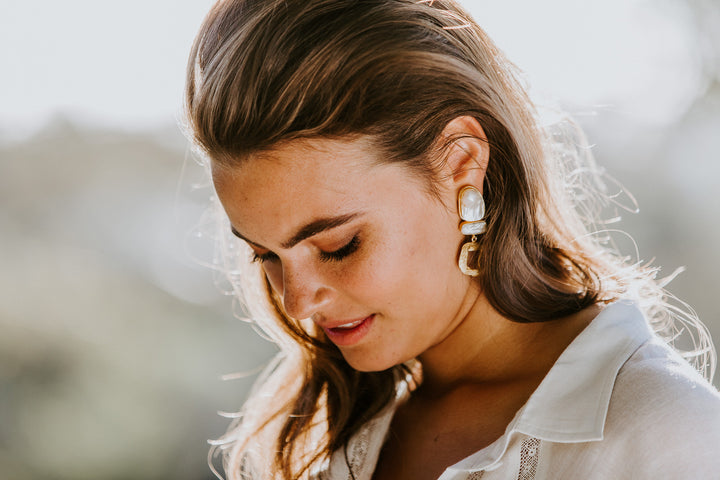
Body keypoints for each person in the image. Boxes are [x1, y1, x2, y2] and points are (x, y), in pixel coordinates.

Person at [183, 0, 720, 478]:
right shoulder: (312, 444)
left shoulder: (668, 437)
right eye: (264, 255)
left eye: (339, 246)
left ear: (461, 164)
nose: (298, 303)